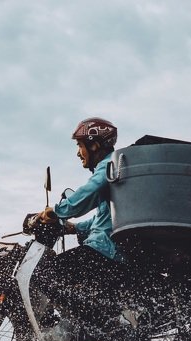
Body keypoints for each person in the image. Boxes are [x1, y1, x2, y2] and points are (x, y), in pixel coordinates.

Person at [32, 117, 130, 330]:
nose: (78, 152)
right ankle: (90, 330)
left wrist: (58, 211)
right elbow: (106, 217)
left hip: (105, 251)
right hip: (110, 250)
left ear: (94, 145)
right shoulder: (116, 170)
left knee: (42, 274)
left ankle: (98, 325)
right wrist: (75, 228)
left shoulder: (109, 165)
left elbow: (88, 193)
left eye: (80, 145)